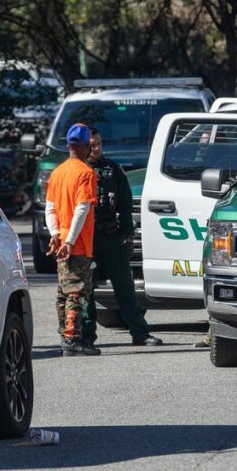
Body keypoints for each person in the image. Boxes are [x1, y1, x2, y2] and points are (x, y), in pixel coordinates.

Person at [82, 127, 163, 347]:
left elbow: (125, 206)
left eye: (99, 143)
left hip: (111, 237)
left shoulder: (113, 169)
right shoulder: (76, 170)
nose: (96, 148)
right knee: (85, 290)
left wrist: (128, 236)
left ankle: (140, 333)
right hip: (85, 240)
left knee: (125, 288)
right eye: (91, 144)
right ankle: (86, 336)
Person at [45, 123, 101, 356]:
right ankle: (72, 339)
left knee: (63, 292)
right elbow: (82, 208)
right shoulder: (86, 173)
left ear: (68, 145)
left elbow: (49, 208)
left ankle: (66, 336)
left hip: (61, 241)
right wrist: (69, 241)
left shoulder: (57, 173)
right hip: (76, 244)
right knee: (77, 291)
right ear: (87, 146)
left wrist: (55, 235)